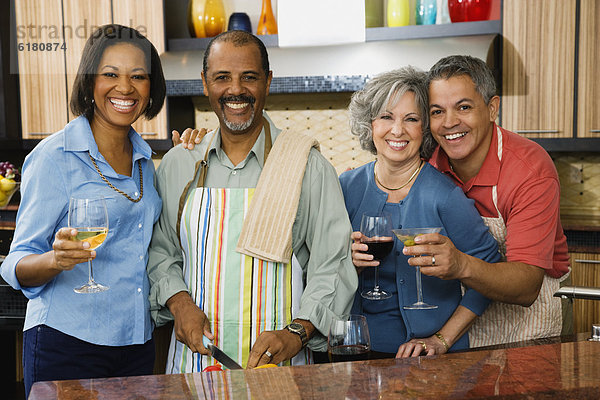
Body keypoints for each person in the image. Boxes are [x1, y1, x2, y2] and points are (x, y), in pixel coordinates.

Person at [147, 30, 357, 372]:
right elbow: (161, 252)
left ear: (268, 82)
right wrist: (179, 301)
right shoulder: (178, 164)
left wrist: (296, 333)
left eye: (249, 77)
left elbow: (332, 265)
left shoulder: (308, 165)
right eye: (222, 78)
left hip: (282, 369)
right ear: (204, 83)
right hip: (195, 364)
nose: (235, 90)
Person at [0, 24, 165, 396]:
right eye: (110, 74)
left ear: (151, 87)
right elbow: (16, 263)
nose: (125, 87)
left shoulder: (144, 162)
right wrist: (55, 261)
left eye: (138, 76)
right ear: (90, 82)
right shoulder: (53, 157)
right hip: (67, 343)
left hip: (135, 344)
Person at [403, 55, 570, 347]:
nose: (450, 123)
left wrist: (460, 265)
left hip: (529, 326)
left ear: (492, 109)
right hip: (459, 327)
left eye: (464, 107)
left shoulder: (529, 170)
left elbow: (527, 287)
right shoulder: (427, 164)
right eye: (437, 112)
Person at [341, 67, 500, 358]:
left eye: (411, 119)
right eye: (386, 117)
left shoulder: (445, 195)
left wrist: (443, 338)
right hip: (356, 351)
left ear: (424, 129)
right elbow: (316, 268)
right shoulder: (345, 188)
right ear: (370, 124)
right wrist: (344, 262)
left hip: (430, 360)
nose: (397, 130)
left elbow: (490, 267)